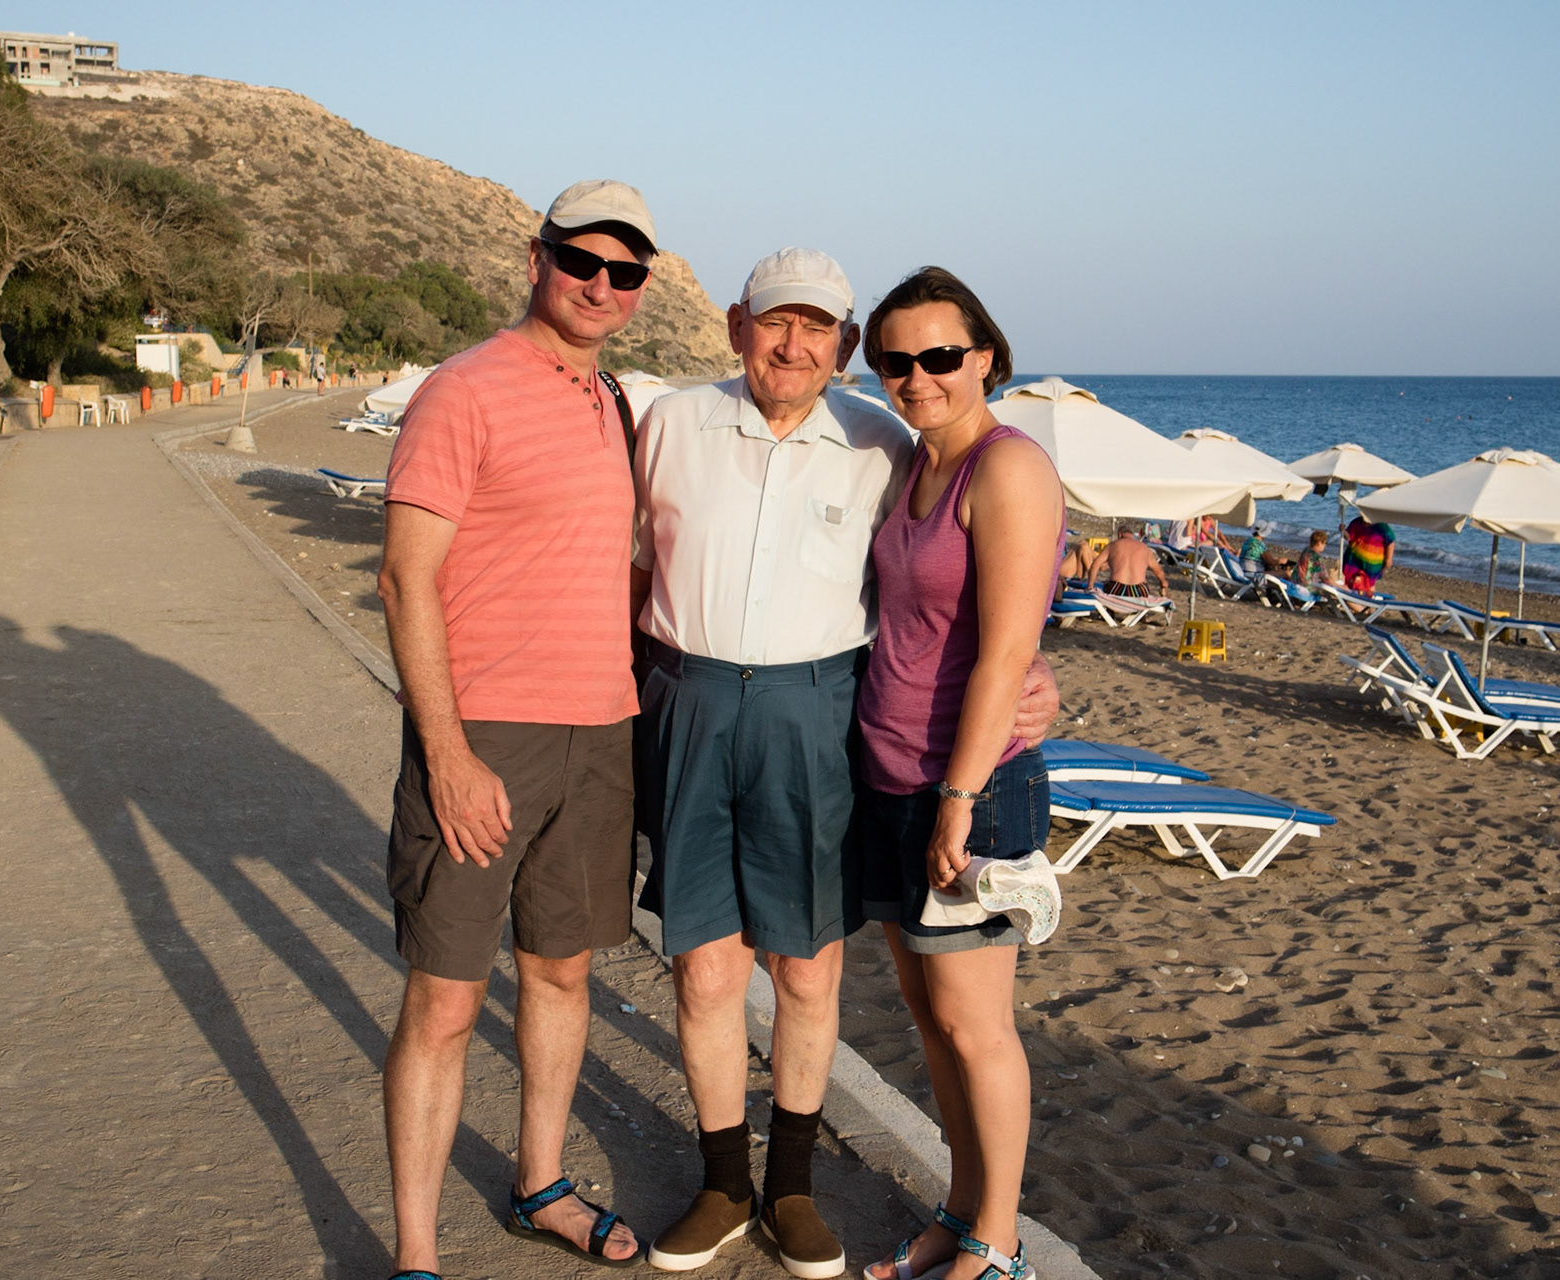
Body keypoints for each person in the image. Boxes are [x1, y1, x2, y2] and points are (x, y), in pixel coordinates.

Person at [630, 249, 1059, 1278]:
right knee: (709, 962)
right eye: (776, 322)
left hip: (850, 733)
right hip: (727, 711)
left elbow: (1003, 629)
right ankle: (731, 1183)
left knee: (830, 973)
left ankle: (811, 1193)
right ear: (738, 325)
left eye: (819, 327)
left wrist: (1032, 688)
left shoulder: (890, 443)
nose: (794, 344)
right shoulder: (676, 423)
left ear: (842, 344)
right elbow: (615, 555)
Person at [376, 179, 660, 1280]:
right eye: (581, 261)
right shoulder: (464, 389)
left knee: (560, 974)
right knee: (446, 996)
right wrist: (447, 753)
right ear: (535, 258)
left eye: (624, 272)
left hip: (603, 725)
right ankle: (415, 1254)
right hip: (488, 728)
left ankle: (539, 1180)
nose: (600, 285)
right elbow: (407, 578)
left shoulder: (616, 400)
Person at [856, 268, 1061, 1280]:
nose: (917, 376)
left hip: (968, 789)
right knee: (931, 1018)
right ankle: (961, 1203)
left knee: (979, 1025)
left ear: (983, 354)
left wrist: (960, 795)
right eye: (895, 359)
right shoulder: (908, 462)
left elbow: (1008, 646)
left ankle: (1002, 1237)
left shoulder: (1005, 467)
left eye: (940, 355)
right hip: (890, 777)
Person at [1089, 523, 1167, 598]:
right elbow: (1159, 571)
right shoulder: (1144, 548)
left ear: (1119, 534)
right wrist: (1163, 584)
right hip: (1139, 591)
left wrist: (1090, 586)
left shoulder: (1112, 545)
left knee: (1106, 584)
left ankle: (1111, 610)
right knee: (1144, 588)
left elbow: (1095, 565)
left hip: (1116, 589)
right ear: (1132, 535)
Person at [1343, 515, 1396, 596]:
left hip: (1373, 563)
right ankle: (1353, 601)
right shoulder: (1357, 522)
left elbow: (1390, 542)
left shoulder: (1382, 527)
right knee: (1351, 579)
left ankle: (1368, 604)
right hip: (1353, 558)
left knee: (1369, 583)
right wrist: (1343, 531)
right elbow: (1349, 537)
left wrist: (1389, 558)